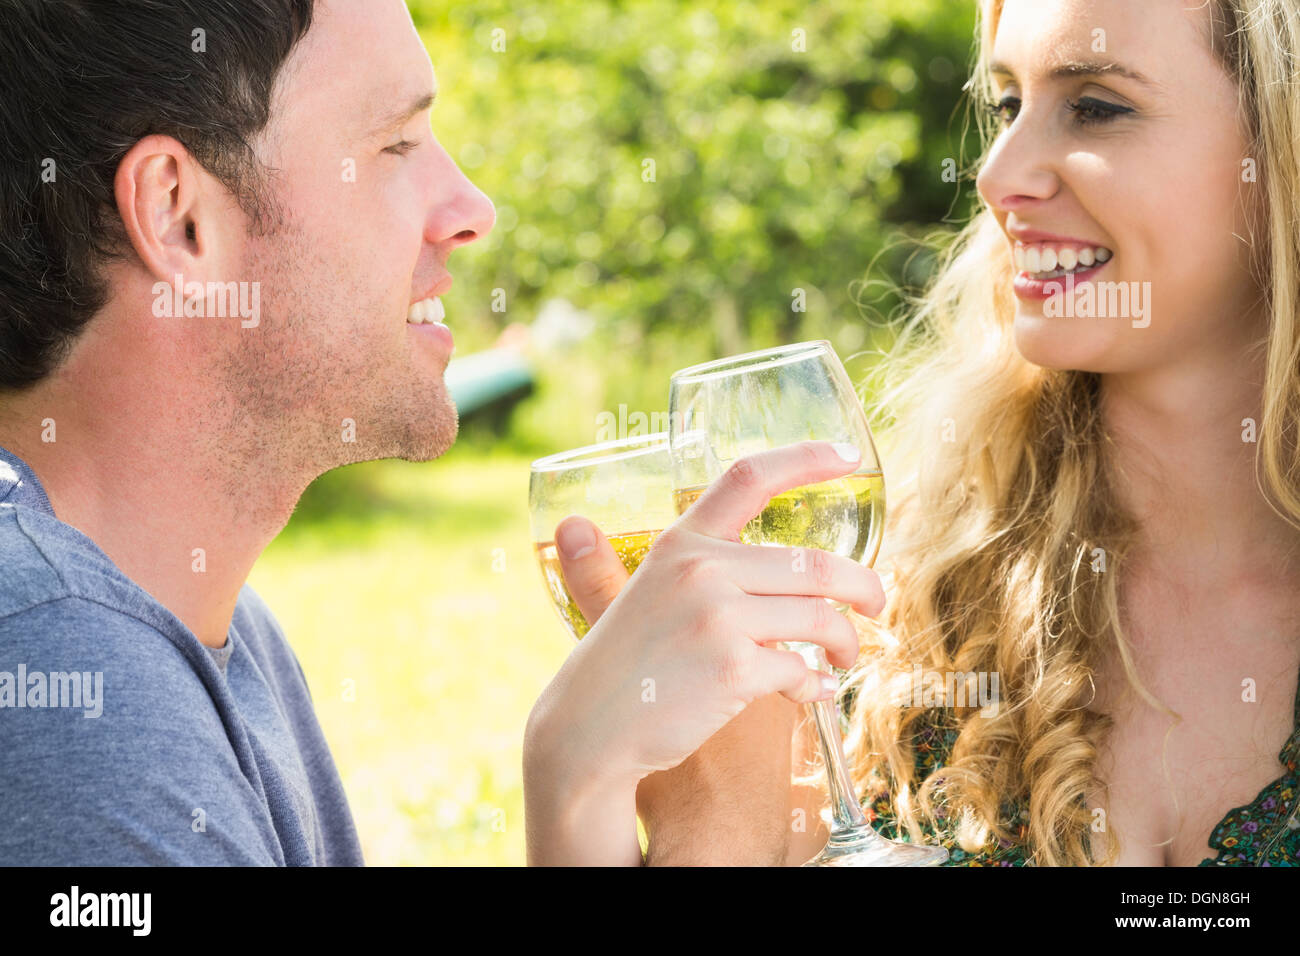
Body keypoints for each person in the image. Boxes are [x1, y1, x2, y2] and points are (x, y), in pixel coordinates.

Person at [0, 0, 881, 866]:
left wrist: (580, 783)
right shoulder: (71, 681)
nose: (471, 207)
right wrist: (717, 836)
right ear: (177, 215)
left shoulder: (199, 627)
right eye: (394, 145)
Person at [537, 0, 1300, 866]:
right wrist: (577, 779)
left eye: (1095, 105)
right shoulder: (894, 616)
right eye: (1009, 105)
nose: (998, 173)